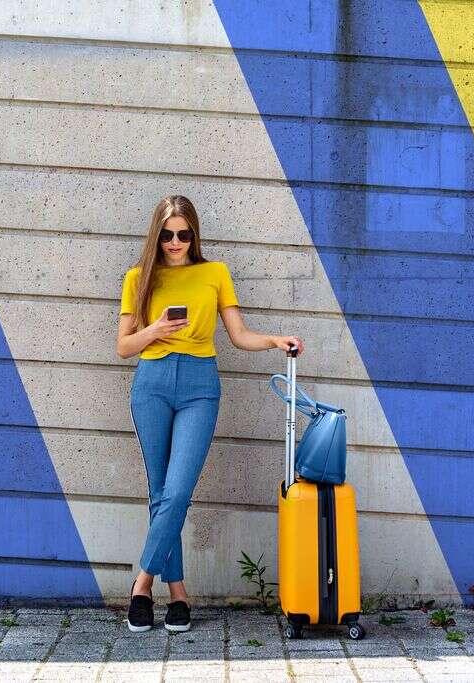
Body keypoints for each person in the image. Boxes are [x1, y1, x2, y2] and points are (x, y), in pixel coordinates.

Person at [116, 195, 304, 632]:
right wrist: (156, 329)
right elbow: (123, 346)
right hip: (152, 386)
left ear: (194, 235)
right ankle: (178, 594)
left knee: (177, 493)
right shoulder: (138, 278)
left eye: (184, 234)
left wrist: (275, 341)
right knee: (160, 492)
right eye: (167, 235)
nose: (176, 242)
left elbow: (238, 334)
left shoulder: (215, 273)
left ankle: (141, 585)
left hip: (201, 386)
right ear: (156, 235)